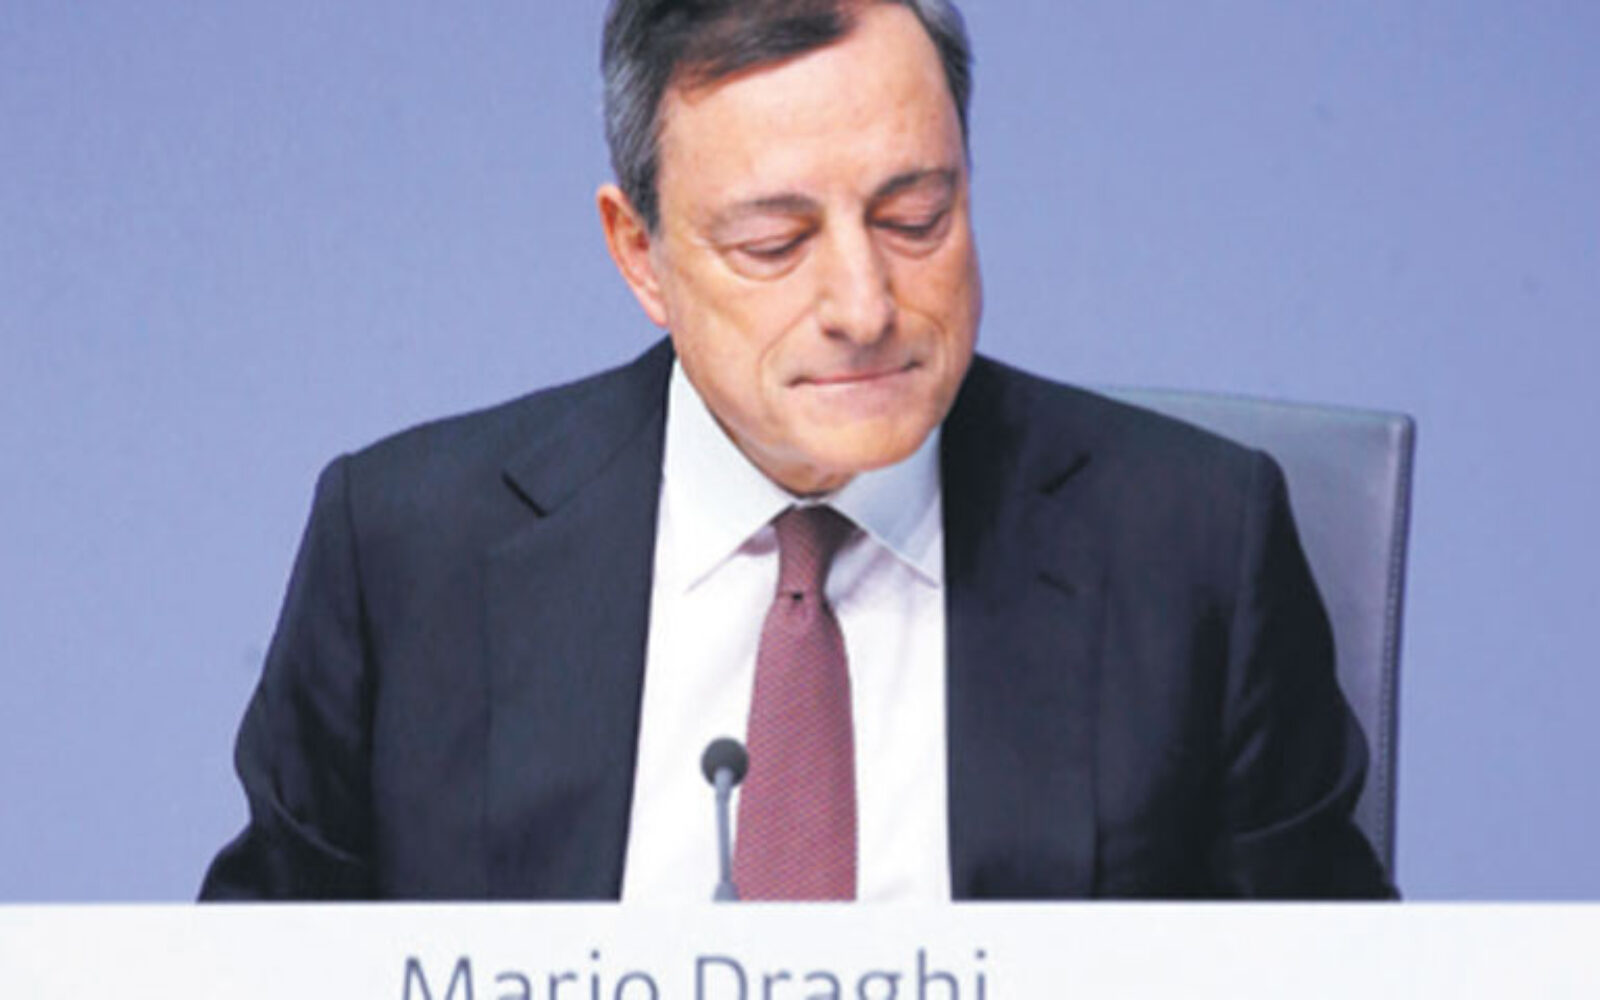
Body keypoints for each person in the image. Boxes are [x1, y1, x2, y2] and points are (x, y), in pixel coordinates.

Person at [201, 0, 1393, 901]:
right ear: (639, 253)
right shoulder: (408, 550)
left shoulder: (1192, 543)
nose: (864, 305)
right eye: (775, 244)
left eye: (915, 219)